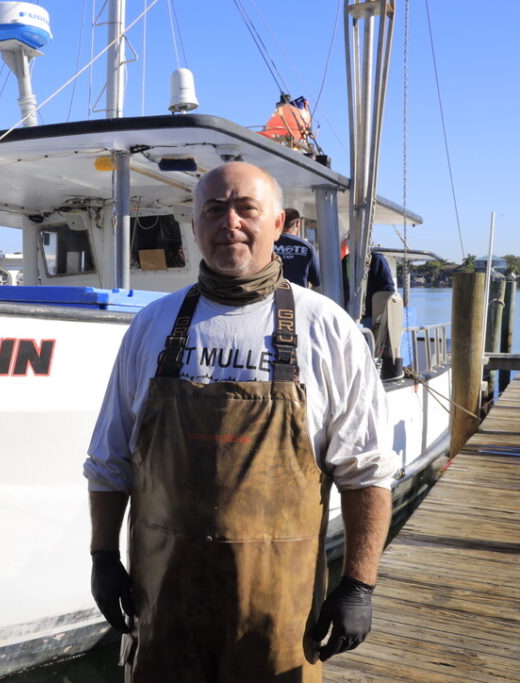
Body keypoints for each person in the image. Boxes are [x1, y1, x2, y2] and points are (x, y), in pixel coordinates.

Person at [84, 162, 394, 681]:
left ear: (278, 224)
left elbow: (367, 471)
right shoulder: (151, 325)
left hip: (277, 615)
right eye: (213, 209)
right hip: (163, 603)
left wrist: (359, 584)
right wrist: (102, 556)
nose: (229, 222)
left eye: (246, 208)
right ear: (195, 226)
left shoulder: (328, 328)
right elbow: (109, 460)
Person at [273, 207, 321, 287]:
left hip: (272, 296)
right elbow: (317, 280)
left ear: (280, 221)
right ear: (298, 223)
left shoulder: (269, 245)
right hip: (297, 297)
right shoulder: (307, 247)